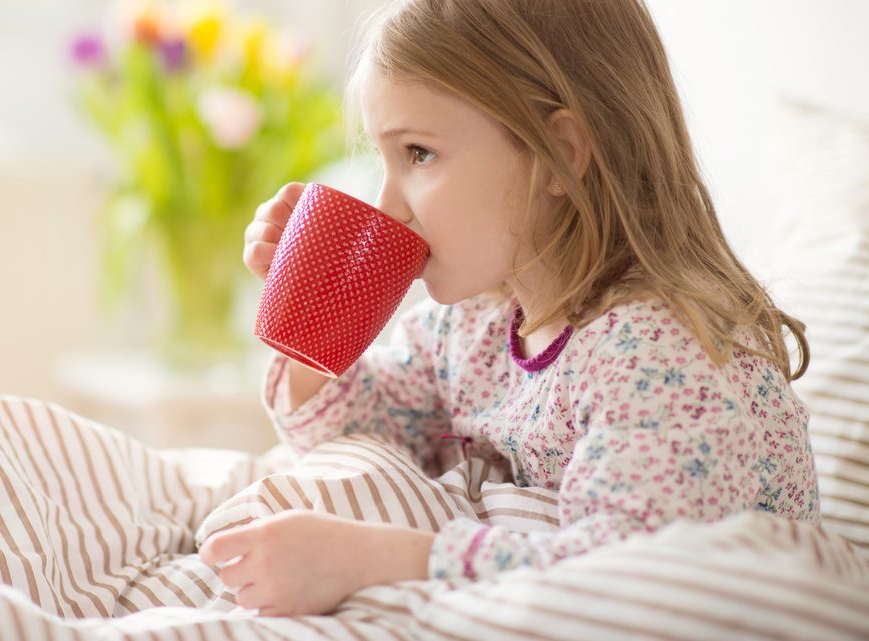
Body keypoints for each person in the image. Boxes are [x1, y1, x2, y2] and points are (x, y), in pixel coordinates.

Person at [200, 0, 818, 618]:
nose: (388, 207)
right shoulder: (480, 321)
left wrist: (372, 559)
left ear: (559, 154)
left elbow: (628, 574)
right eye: (383, 160)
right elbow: (359, 430)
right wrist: (307, 305)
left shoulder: (661, 354)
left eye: (418, 153)